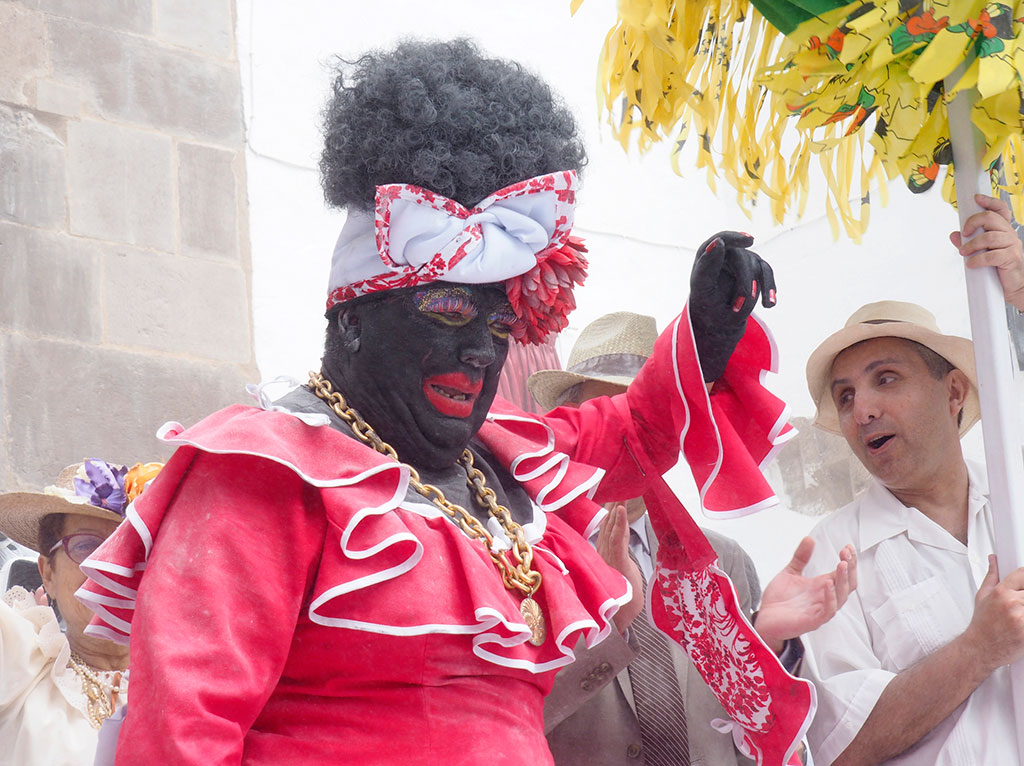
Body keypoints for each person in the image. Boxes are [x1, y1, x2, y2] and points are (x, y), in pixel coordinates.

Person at [78, 40, 801, 765]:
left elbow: (635, 432)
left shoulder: (504, 461)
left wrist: (705, 333)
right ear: (353, 319)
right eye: (450, 313)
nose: (483, 353)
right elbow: (179, 740)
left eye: (498, 326)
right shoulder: (266, 470)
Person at [533, 312, 856, 766]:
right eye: (606, 419)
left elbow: (769, 738)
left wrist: (769, 646)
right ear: (571, 430)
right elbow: (510, 718)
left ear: (675, 432)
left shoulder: (722, 561)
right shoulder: (528, 561)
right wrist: (605, 623)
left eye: (645, 418)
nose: (628, 438)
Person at [799, 300, 1024, 765]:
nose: (862, 410)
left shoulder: (1018, 499)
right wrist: (977, 650)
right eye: (845, 396)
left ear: (954, 392)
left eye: (886, 379)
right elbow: (839, 749)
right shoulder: (829, 555)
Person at [0, 459, 161, 766]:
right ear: (48, 574)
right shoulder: (20, 666)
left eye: (132, 547)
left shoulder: (191, 693)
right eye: (87, 545)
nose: (110, 567)